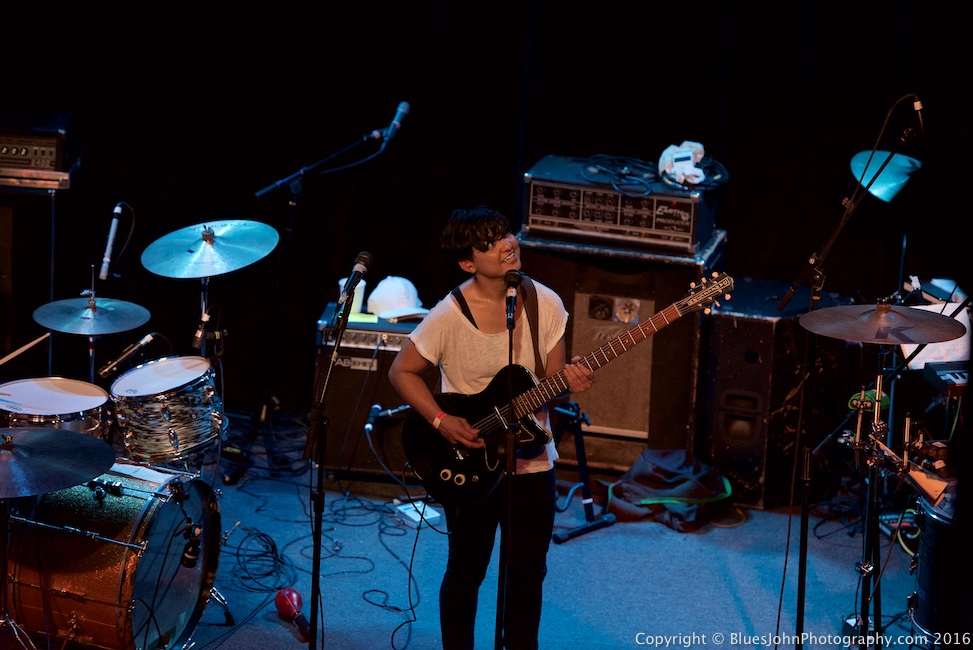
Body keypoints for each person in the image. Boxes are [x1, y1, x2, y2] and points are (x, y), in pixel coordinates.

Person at [388, 205, 595, 650]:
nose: (507, 244)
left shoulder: (546, 303)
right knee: (466, 572)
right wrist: (441, 420)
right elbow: (401, 372)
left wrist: (572, 381)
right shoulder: (448, 314)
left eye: (505, 234)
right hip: (470, 463)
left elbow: (553, 385)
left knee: (528, 574)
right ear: (468, 262)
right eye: (490, 242)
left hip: (532, 465)